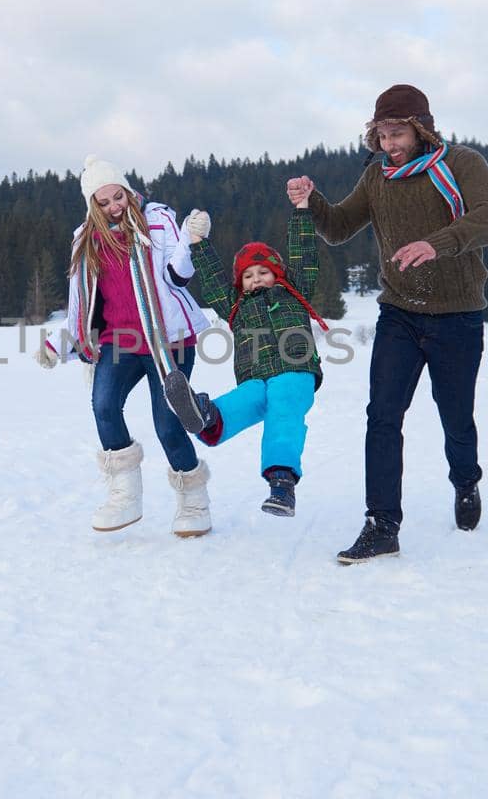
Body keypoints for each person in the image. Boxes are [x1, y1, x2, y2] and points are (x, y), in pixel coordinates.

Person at [286, 85, 488, 563]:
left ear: (421, 127)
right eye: (382, 134)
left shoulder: (463, 165)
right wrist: (312, 202)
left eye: (398, 132)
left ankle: (465, 481)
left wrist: (438, 243)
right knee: (382, 416)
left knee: (455, 418)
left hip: (457, 316)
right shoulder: (377, 177)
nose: (390, 143)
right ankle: (382, 524)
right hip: (399, 314)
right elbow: (341, 227)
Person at [36, 154, 214, 537]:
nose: (115, 205)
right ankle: (125, 494)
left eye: (119, 196)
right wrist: (57, 342)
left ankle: (194, 500)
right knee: (103, 403)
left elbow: (178, 275)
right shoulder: (86, 241)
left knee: (167, 422)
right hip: (121, 340)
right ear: (93, 206)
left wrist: (191, 240)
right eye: (105, 202)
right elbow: (81, 303)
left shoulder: (157, 221)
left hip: (169, 339)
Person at [161, 206, 328, 517]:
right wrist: (198, 241)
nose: (256, 280)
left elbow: (304, 255)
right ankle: (207, 417)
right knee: (247, 399)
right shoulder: (235, 306)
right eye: (248, 276)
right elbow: (211, 281)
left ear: (278, 274)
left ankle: (281, 481)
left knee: (283, 408)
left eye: (264, 272)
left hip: (296, 371)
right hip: (255, 377)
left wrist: (303, 211)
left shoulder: (295, 292)